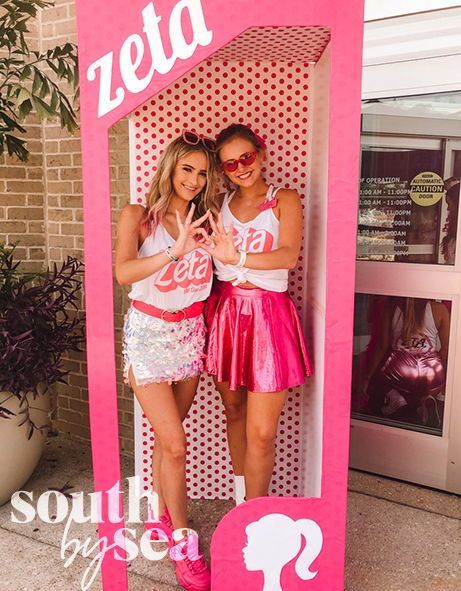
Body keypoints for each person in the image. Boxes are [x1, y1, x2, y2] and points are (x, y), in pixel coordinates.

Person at [115, 131, 217, 591]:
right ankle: (182, 541)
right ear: (170, 168)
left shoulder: (208, 219)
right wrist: (173, 251)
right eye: (187, 169)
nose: (194, 180)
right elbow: (123, 274)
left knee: (166, 437)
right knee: (176, 443)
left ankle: (160, 517)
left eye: (202, 172)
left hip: (191, 335)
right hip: (149, 336)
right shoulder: (140, 216)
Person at [199, 124, 313, 503]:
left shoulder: (285, 199)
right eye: (230, 164)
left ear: (261, 153)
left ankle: (256, 513)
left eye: (246, 157)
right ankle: (239, 501)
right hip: (228, 312)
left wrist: (239, 258)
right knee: (233, 411)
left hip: (269, 315)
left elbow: (288, 256)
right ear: (222, 170)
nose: (241, 167)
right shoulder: (218, 205)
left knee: (262, 431)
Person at [361, 297, 449, 427]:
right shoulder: (440, 310)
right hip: (431, 370)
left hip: (401, 369)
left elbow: (381, 346)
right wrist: (442, 378)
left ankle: (396, 398)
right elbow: (446, 350)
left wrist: (366, 378)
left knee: (378, 377)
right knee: (435, 383)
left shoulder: (390, 308)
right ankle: (428, 399)